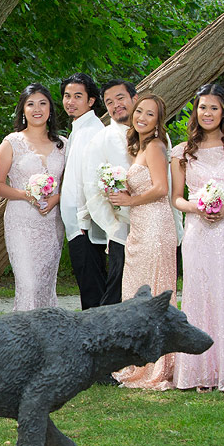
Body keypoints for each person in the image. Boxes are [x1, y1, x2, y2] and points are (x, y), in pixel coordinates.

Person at [171, 85, 224, 392]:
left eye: (214, 108)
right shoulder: (182, 152)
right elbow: (176, 198)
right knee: (198, 294)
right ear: (195, 112)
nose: (207, 113)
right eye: (202, 107)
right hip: (197, 231)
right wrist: (197, 208)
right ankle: (197, 373)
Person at [107, 95, 178, 390]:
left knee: (153, 292)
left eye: (150, 114)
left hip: (156, 227)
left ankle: (158, 366)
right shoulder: (139, 148)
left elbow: (161, 188)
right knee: (138, 293)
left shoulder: (156, 146)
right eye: (139, 112)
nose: (142, 117)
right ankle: (139, 362)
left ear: (158, 120)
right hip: (139, 226)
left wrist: (130, 199)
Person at [0, 84, 66, 311]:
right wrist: (24, 195)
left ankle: (46, 339)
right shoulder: (11, 142)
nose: (37, 109)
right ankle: (22, 338)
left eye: (43, 103)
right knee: (28, 284)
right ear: (23, 110)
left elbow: (71, 184)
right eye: (31, 104)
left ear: (50, 109)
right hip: (21, 222)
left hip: (51, 223)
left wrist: (57, 198)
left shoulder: (63, 144)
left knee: (45, 286)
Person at [83, 80, 138, 306]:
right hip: (122, 230)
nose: (116, 105)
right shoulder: (100, 141)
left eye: (120, 98)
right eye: (109, 102)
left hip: (155, 228)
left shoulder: (156, 136)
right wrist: (114, 229)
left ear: (135, 99)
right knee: (117, 295)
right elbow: (93, 192)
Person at [59, 73, 108, 309]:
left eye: (78, 96)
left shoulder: (91, 131)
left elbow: (90, 180)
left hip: (84, 224)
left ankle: (98, 342)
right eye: (67, 96)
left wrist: (83, 218)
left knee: (93, 288)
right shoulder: (79, 127)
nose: (71, 101)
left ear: (91, 101)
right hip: (77, 223)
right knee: (89, 286)